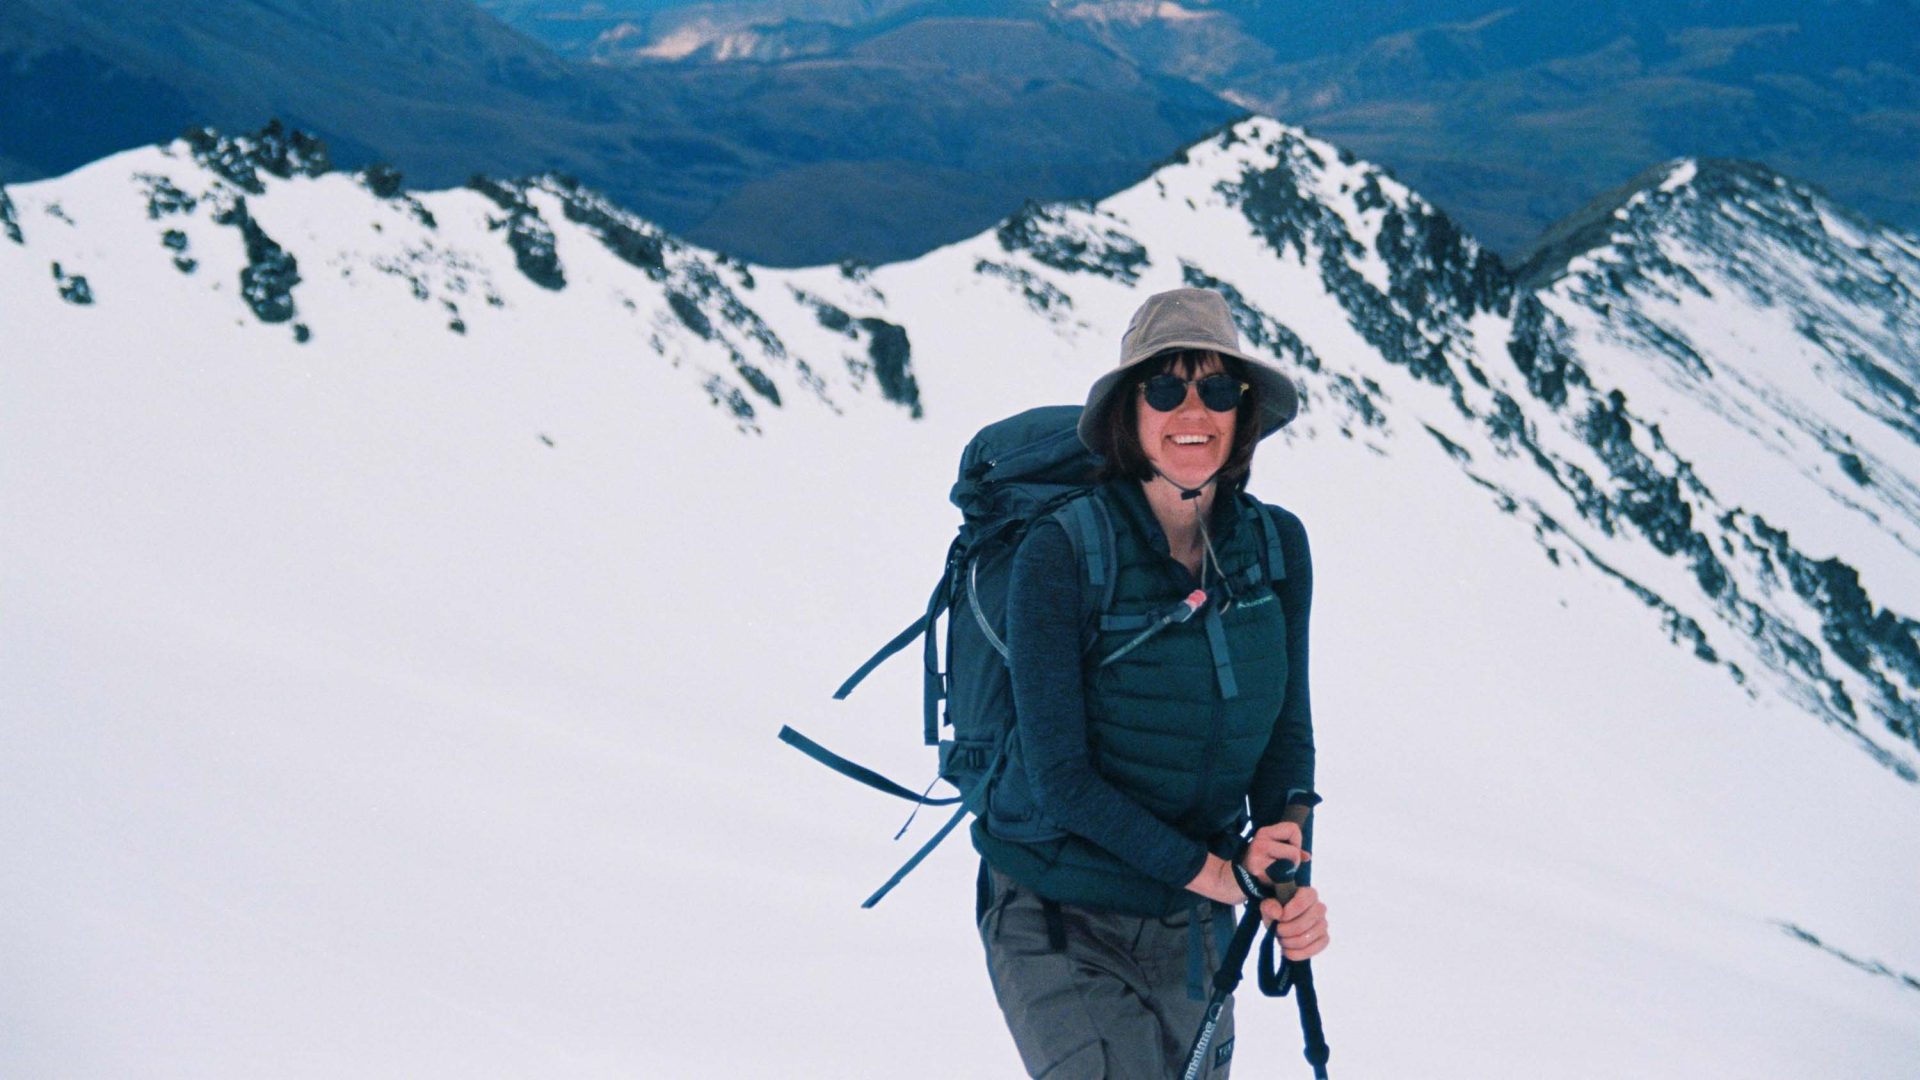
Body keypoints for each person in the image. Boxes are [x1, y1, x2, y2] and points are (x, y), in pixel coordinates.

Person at [971, 287, 1328, 1079]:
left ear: (1243, 414)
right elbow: (1062, 778)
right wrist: (1221, 874)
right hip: (1059, 909)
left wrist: (1286, 873)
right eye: (1164, 387)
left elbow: (1284, 741)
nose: (1190, 409)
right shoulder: (1062, 552)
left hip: (1194, 925)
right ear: (1129, 413)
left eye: (1217, 388)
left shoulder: (1276, 549)